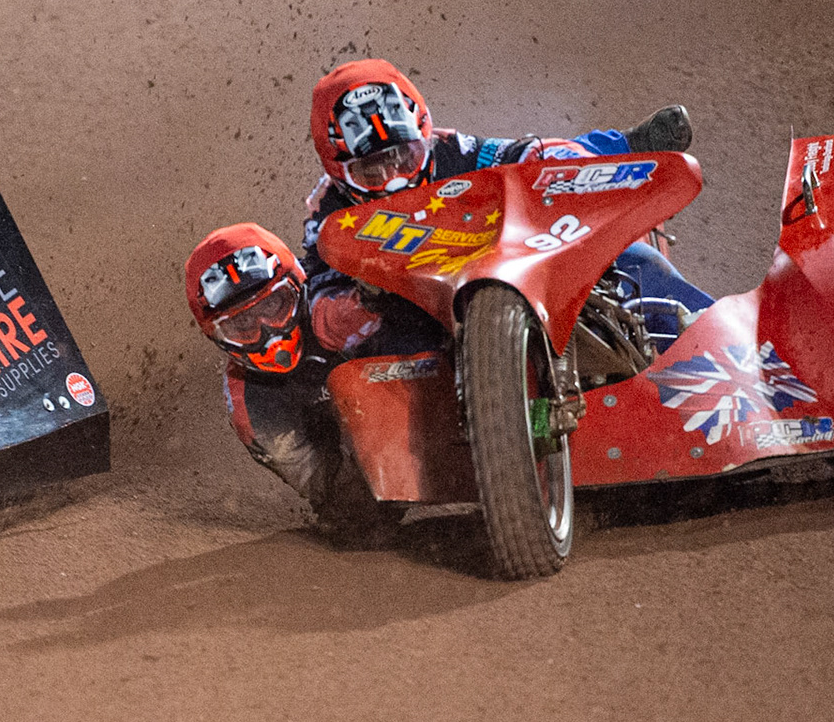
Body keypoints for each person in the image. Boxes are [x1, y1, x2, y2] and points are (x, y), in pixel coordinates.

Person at [301, 58, 714, 354]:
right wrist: (362, 301)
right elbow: (321, 317)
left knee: (635, 260)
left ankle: (722, 344)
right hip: (420, 331)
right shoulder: (328, 214)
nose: (396, 178)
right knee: (359, 371)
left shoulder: (452, 149)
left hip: (508, 272)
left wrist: (615, 155)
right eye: (372, 171)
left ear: (423, 133)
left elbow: (532, 155)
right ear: (338, 172)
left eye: (405, 157)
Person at [185, 223, 400, 541]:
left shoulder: (335, 304)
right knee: (357, 522)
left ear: (298, 285)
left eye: (273, 305)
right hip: (359, 466)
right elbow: (341, 503)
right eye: (242, 324)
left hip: (426, 404)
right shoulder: (250, 407)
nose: (268, 332)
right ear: (216, 336)